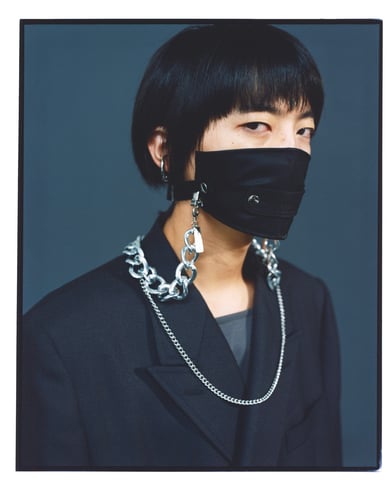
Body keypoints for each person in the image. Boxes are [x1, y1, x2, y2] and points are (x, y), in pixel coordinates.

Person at [17, 22, 342, 469]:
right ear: (165, 149)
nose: (290, 151)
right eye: (256, 125)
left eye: (305, 131)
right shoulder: (63, 335)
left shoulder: (307, 302)